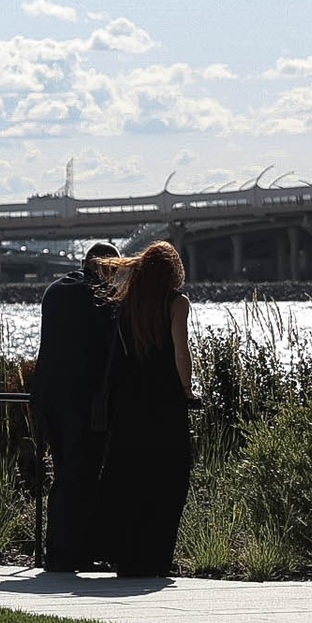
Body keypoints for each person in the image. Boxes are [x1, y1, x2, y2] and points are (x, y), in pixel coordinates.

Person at [90, 240, 194, 577]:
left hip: (129, 403)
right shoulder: (176, 303)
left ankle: (126, 555)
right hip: (165, 402)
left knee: (129, 477)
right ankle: (155, 556)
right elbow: (181, 352)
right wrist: (187, 389)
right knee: (167, 479)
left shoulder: (127, 302)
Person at [29, 242, 121, 572]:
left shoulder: (55, 291)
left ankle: (58, 549)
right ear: (108, 267)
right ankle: (71, 553)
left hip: (49, 397)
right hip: (83, 401)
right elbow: (110, 349)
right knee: (81, 475)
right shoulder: (102, 296)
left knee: (63, 473)